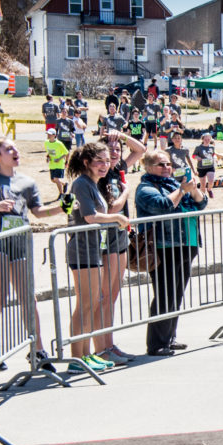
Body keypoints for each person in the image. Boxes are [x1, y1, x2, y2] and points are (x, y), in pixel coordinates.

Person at [0, 138, 64, 374]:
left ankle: (37, 349)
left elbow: (38, 212)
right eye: (8, 149)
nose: (15, 151)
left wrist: (63, 207)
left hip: (20, 242)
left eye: (15, 148)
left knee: (28, 297)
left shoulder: (27, 182)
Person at [135, 149, 208, 356]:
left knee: (176, 294)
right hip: (163, 247)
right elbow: (163, 206)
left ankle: (169, 337)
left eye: (168, 164)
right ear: (148, 167)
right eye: (161, 164)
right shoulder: (146, 188)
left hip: (186, 244)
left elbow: (201, 203)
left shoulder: (175, 185)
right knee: (164, 295)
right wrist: (183, 190)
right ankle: (156, 343)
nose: (167, 168)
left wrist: (192, 189)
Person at [65, 142, 130, 373]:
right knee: (84, 304)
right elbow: (90, 217)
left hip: (94, 249)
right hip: (83, 250)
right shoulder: (82, 183)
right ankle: (76, 357)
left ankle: (86, 354)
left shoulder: (92, 183)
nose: (104, 165)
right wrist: (117, 219)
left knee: (92, 303)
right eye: (99, 161)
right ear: (86, 163)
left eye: (106, 161)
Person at [93, 130, 146, 365]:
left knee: (113, 294)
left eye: (117, 150)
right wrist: (126, 191)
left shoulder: (118, 170)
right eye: (110, 149)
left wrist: (121, 136)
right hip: (106, 237)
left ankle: (110, 344)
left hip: (121, 235)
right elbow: (112, 208)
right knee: (104, 296)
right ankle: (101, 347)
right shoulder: (100, 175)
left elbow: (141, 150)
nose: (115, 153)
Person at [192, 132, 219, 199]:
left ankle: (209, 189)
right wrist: (197, 157)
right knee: (203, 184)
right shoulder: (198, 147)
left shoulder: (212, 147)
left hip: (210, 166)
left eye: (208, 139)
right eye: (206, 139)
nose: (207, 140)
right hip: (201, 168)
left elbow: (213, 154)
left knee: (211, 181)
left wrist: (215, 158)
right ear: (203, 139)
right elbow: (193, 155)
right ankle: (203, 197)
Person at [44, 127, 68, 198]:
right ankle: (64, 184)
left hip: (59, 164)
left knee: (56, 179)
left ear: (54, 135)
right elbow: (48, 153)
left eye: (50, 134)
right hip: (52, 164)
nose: (48, 136)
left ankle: (61, 194)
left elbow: (66, 153)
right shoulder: (46, 142)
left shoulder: (59, 143)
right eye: (48, 134)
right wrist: (48, 157)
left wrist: (60, 159)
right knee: (53, 180)